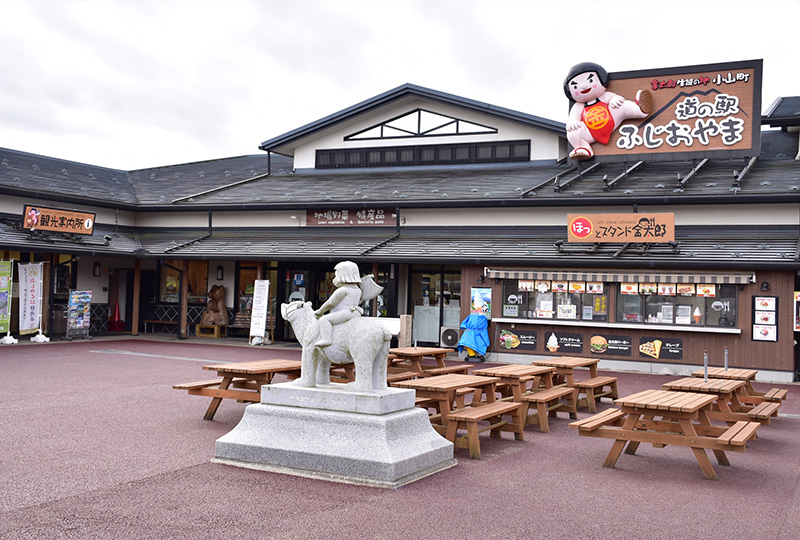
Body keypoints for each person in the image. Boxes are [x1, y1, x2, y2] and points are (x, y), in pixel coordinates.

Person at [563, 62, 652, 160]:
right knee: (573, 131)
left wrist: (614, 99)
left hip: (611, 119)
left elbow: (614, 97)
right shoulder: (578, 106)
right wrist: (573, 122)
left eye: (590, 80)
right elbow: (573, 117)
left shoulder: (605, 96)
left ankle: (640, 109)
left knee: (619, 106)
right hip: (590, 131)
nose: (583, 86)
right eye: (575, 86)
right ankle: (582, 147)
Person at [314, 261, 364, 348]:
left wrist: (320, 311)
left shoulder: (342, 290)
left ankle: (327, 339)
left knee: (324, 320)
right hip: (356, 312)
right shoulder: (358, 290)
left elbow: (330, 303)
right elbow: (360, 301)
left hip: (346, 312)